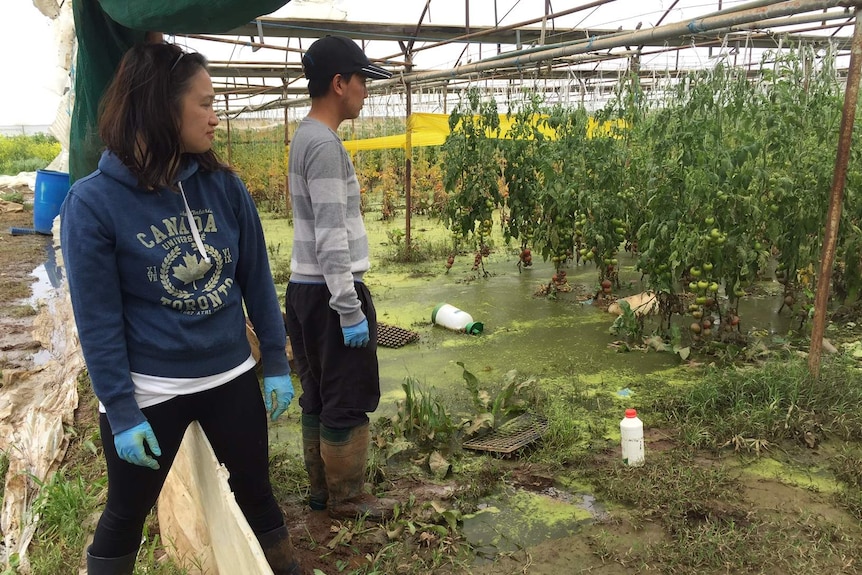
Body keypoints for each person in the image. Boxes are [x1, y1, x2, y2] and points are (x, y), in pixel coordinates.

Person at [60, 42, 301, 575]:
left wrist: (277, 362)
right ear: (160, 108)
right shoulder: (94, 203)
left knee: (257, 494)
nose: (217, 117)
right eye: (206, 103)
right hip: (151, 388)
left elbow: (256, 278)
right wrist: (121, 412)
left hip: (231, 376)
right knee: (126, 512)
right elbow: (97, 321)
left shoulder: (223, 186)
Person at [284, 36, 397, 521]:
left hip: (303, 291)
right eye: (361, 81)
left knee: (318, 394)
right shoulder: (325, 146)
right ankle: (349, 499)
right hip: (331, 295)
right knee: (346, 398)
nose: (365, 92)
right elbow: (332, 237)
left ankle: (321, 495)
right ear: (338, 84)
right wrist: (349, 309)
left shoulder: (304, 136)